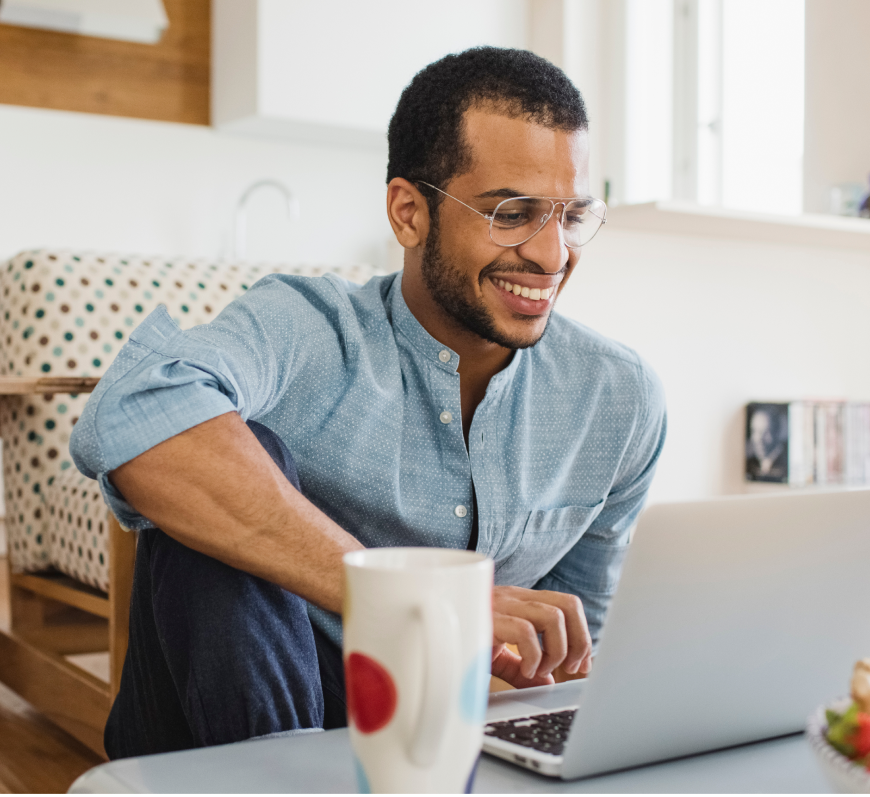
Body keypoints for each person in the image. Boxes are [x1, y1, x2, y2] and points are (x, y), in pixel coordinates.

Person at [69, 46, 667, 759]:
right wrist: (407, 599)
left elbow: (565, 665)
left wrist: (516, 669)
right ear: (409, 212)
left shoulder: (618, 400)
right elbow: (134, 407)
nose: (552, 256)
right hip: (229, 728)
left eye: (570, 216)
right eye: (513, 213)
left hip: (432, 738)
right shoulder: (306, 328)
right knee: (227, 451)